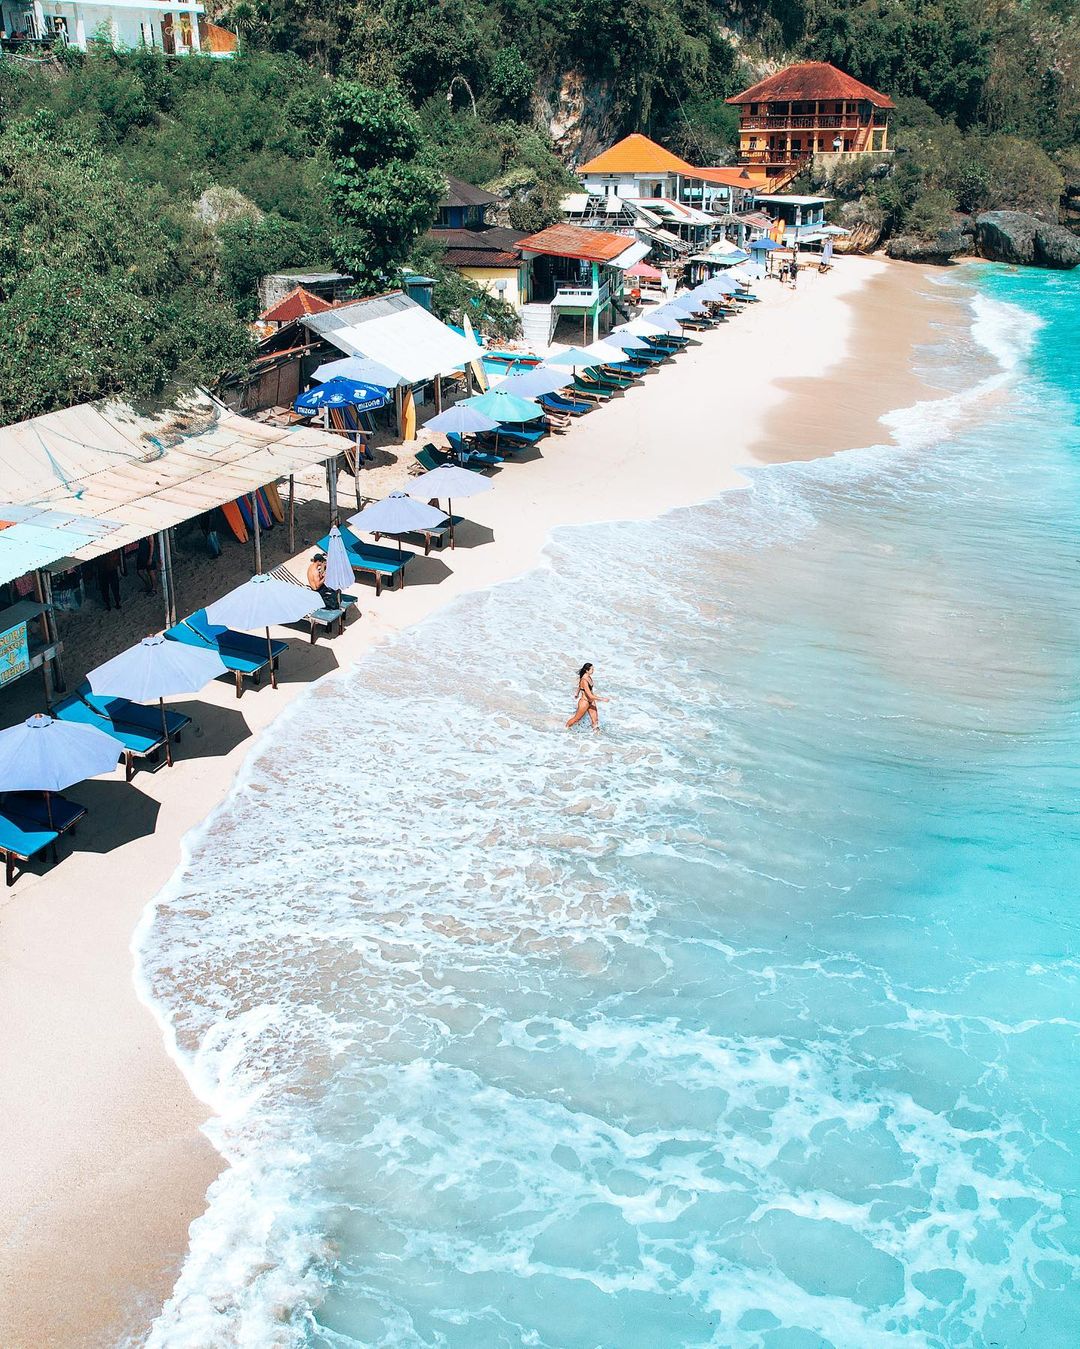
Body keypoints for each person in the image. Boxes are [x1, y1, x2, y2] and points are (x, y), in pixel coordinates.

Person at [565, 661, 607, 732]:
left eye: (593, 669)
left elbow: (580, 686)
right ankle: (565, 728)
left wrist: (577, 693)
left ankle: (596, 734)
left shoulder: (588, 677)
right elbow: (590, 695)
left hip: (591, 702)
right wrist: (602, 699)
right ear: (587, 670)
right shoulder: (584, 680)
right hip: (584, 702)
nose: (593, 670)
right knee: (576, 719)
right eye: (592, 669)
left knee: (595, 720)